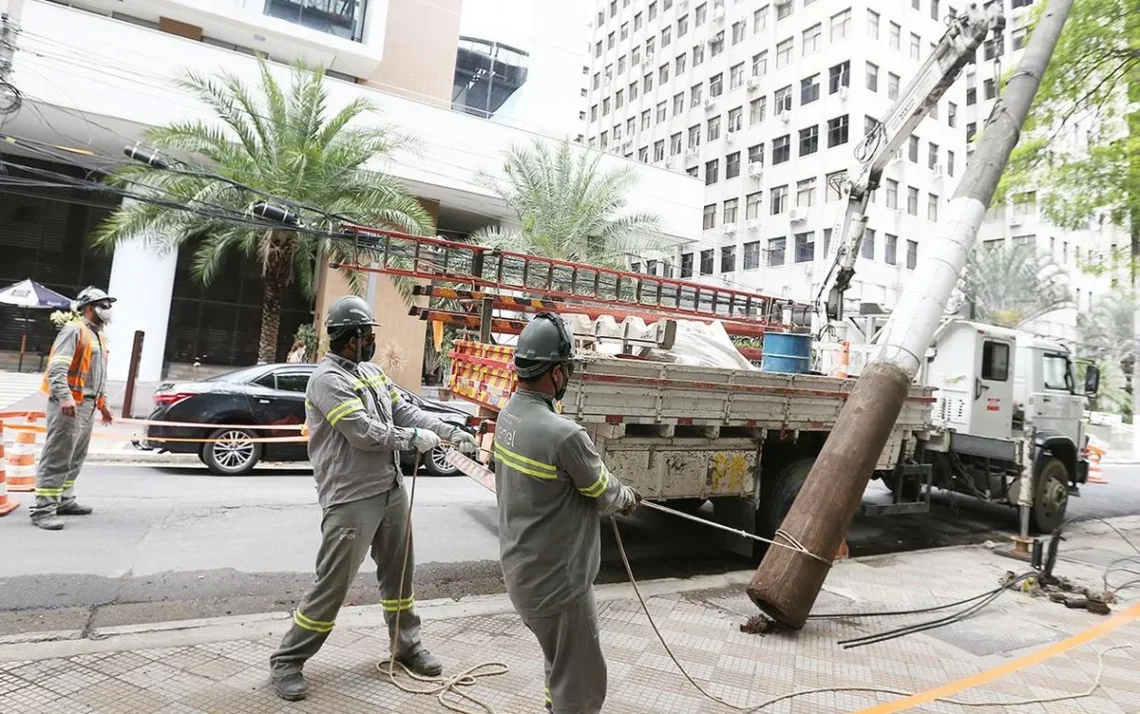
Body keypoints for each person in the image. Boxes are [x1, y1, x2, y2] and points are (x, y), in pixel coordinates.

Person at [269, 295, 479, 702]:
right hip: (351, 497)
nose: (371, 341)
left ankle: (407, 644)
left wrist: (449, 430)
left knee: (400, 575)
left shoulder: (371, 373)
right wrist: (412, 441)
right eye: (366, 335)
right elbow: (363, 432)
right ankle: (288, 659)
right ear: (349, 338)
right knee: (332, 585)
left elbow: (406, 411)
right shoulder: (328, 381)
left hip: (390, 490)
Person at [493, 313, 641, 714]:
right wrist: (628, 497)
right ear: (556, 373)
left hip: (523, 575)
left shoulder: (507, 417)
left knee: (557, 664)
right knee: (582, 684)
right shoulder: (564, 435)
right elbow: (604, 493)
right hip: (559, 586)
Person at [30, 286, 115, 531]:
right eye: (104, 305)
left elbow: (97, 375)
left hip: (86, 406)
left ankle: (65, 501)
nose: (108, 310)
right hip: (69, 405)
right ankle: (43, 510)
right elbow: (57, 368)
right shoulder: (74, 330)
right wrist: (65, 397)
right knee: (58, 456)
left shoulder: (96, 335)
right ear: (89, 308)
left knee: (75, 456)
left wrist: (103, 404)